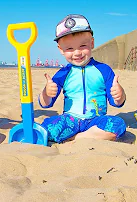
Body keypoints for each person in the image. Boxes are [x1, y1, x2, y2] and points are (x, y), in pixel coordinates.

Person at [39, 14, 127, 144]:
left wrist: (120, 94)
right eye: (69, 48)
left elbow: (117, 103)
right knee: (48, 127)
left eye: (82, 46)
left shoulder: (104, 70)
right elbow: (45, 104)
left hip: (96, 121)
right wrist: (46, 93)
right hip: (71, 119)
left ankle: (75, 138)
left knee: (118, 125)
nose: (77, 53)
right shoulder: (63, 73)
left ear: (92, 43)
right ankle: (85, 136)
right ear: (61, 49)